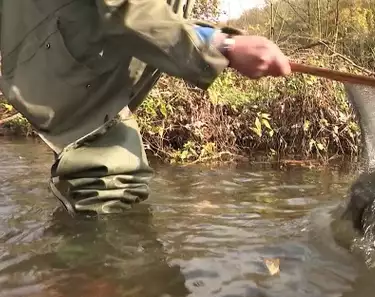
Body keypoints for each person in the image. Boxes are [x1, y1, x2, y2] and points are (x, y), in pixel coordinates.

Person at [0, 0, 292, 216]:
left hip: (70, 63)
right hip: (66, 63)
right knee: (112, 187)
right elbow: (124, 7)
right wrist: (223, 45)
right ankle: (90, 288)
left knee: (104, 189)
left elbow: (158, 15)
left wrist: (215, 41)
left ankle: (76, 281)